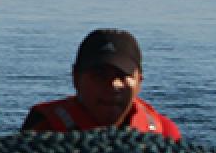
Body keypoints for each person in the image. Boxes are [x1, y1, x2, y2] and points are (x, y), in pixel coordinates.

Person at [23, 29, 182, 138]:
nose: (113, 85)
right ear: (76, 78)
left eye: (123, 75)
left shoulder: (165, 133)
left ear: (139, 81)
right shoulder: (42, 130)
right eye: (100, 76)